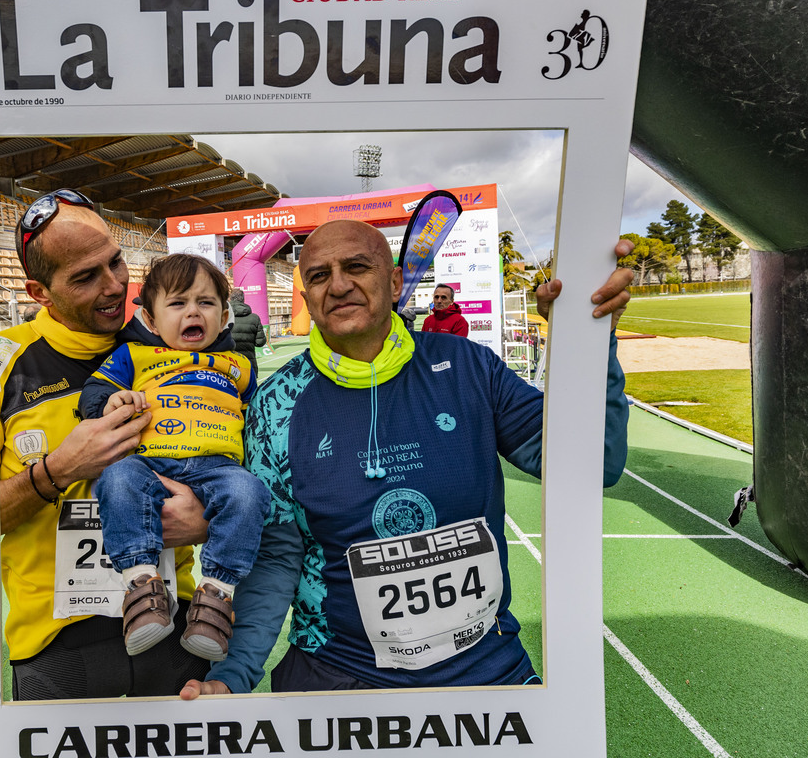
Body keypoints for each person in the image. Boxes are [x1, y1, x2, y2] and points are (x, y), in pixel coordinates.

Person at [180, 219, 633, 699]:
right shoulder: (276, 405)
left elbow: (595, 461)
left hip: (486, 666)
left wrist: (591, 337)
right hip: (339, 674)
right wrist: (232, 676)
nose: (338, 285)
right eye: (318, 275)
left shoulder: (470, 367)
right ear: (307, 295)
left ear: (395, 283)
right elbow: (276, 556)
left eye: (357, 267)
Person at [0, 188, 210, 700]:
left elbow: (251, 476)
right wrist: (59, 469)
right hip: (57, 647)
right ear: (39, 292)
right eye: (86, 277)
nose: (115, 287)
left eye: (116, 263)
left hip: (172, 632)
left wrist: (206, 517)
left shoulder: (174, 346)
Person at [79, 254, 269, 662]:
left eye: (205, 302)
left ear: (223, 317)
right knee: (116, 479)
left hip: (220, 468)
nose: (192, 312)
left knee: (251, 493)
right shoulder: (133, 356)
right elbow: (92, 395)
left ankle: (217, 594)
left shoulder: (237, 366)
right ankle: (142, 585)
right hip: (149, 464)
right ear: (150, 318)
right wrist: (112, 401)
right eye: (178, 303)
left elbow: (262, 414)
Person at [228, 287, 267, 375]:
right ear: (243, 299)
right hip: (249, 364)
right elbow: (260, 342)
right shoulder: (254, 318)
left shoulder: (223, 317)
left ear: (230, 299)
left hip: (229, 365)